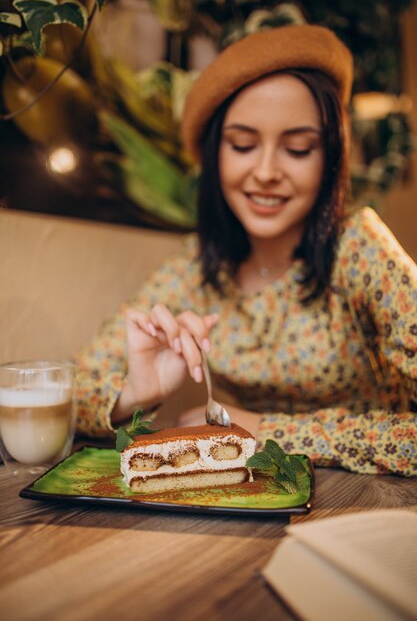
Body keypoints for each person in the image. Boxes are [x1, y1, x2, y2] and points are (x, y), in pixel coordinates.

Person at [75, 24, 417, 476]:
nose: (266, 171)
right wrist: (138, 391)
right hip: (251, 501)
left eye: (297, 149)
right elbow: (73, 391)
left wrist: (265, 430)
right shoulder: (195, 265)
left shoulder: (358, 247)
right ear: (215, 155)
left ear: (330, 156)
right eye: (243, 145)